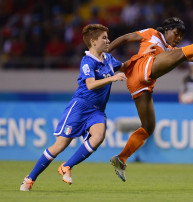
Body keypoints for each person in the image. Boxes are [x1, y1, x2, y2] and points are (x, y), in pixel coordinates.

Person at [108, 17, 193, 182]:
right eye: (176, 33)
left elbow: (192, 58)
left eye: (181, 36)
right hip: (141, 68)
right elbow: (125, 38)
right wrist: (104, 54)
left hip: (138, 83)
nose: (178, 38)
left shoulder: (169, 49)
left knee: (148, 127)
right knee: (184, 52)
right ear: (167, 29)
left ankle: (121, 159)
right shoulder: (151, 33)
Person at [19, 24, 129, 191]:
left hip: (97, 110)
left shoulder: (108, 59)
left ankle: (67, 166)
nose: (108, 41)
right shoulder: (87, 61)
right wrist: (112, 78)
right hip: (80, 106)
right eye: (104, 38)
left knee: (98, 136)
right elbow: (91, 85)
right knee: (60, 145)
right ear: (93, 41)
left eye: (108, 37)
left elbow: (126, 66)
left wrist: (145, 56)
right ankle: (30, 179)